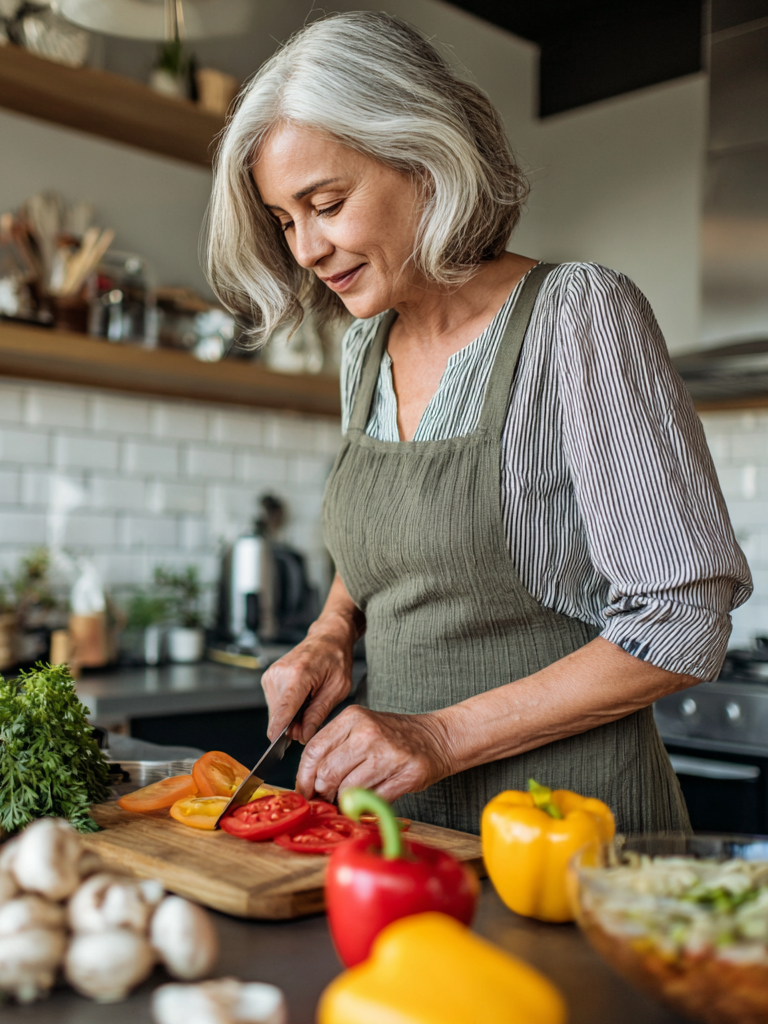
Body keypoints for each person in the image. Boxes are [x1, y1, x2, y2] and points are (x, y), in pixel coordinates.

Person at [203, 12, 752, 835]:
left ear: (424, 159)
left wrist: (439, 734)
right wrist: (329, 633)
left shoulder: (576, 315)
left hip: (569, 836)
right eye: (286, 221)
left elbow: (682, 623)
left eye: (326, 203)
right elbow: (397, 544)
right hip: (406, 834)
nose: (306, 249)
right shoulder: (364, 347)